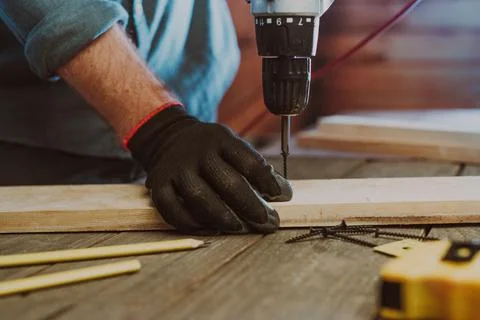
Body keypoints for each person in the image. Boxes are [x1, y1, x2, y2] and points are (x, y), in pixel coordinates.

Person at [0, 1, 292, 234]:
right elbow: (66, 12)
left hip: (186, 139)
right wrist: (160, 129)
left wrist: (174, 131)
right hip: (42, 157)